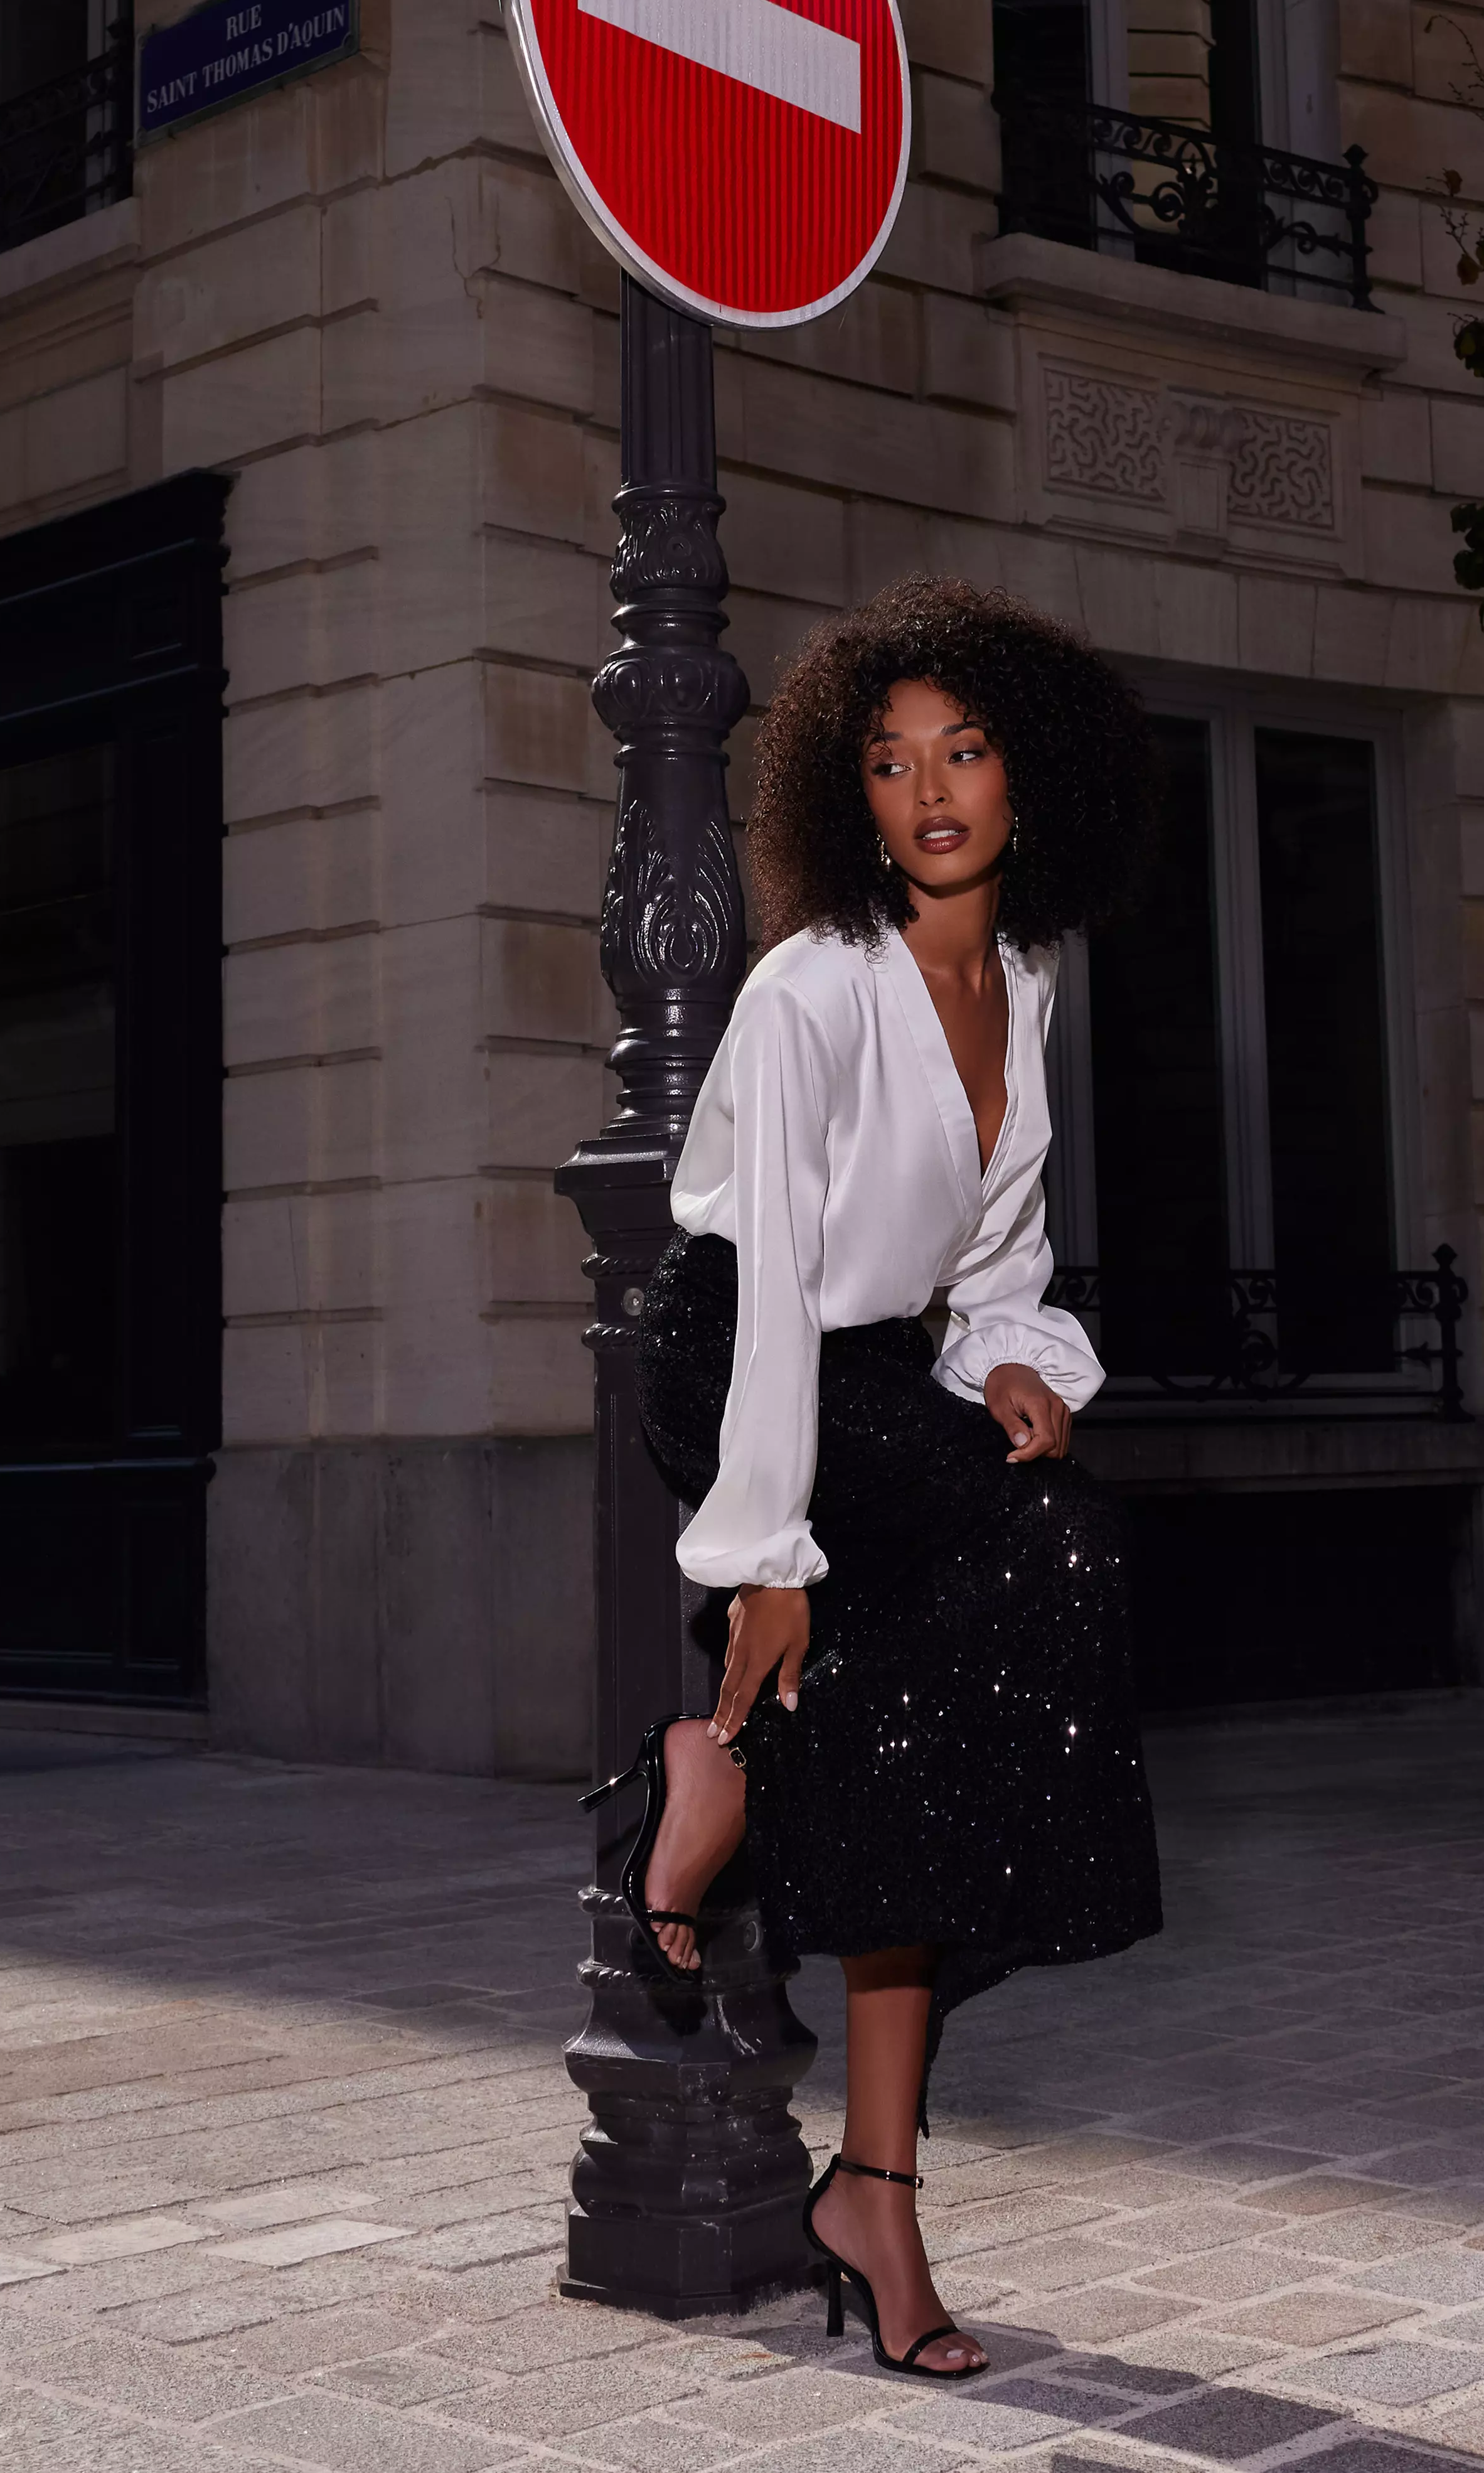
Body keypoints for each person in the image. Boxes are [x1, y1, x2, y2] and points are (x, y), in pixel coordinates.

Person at [590, 576, 1162, 2375]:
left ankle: (876, 2190)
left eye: (966, 750)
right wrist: (764, 1550)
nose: (930, 789)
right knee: (1039, 1556)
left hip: (872, 1369)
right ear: (851, 796)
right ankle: (727, 1762)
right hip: (734, 1346)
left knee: (934, 1719)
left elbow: (998, 1243)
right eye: (893, 758)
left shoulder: (1029, 976)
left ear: (1026, 777)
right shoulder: (810, 986)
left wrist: (1016, 1354)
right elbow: (764, 1274)